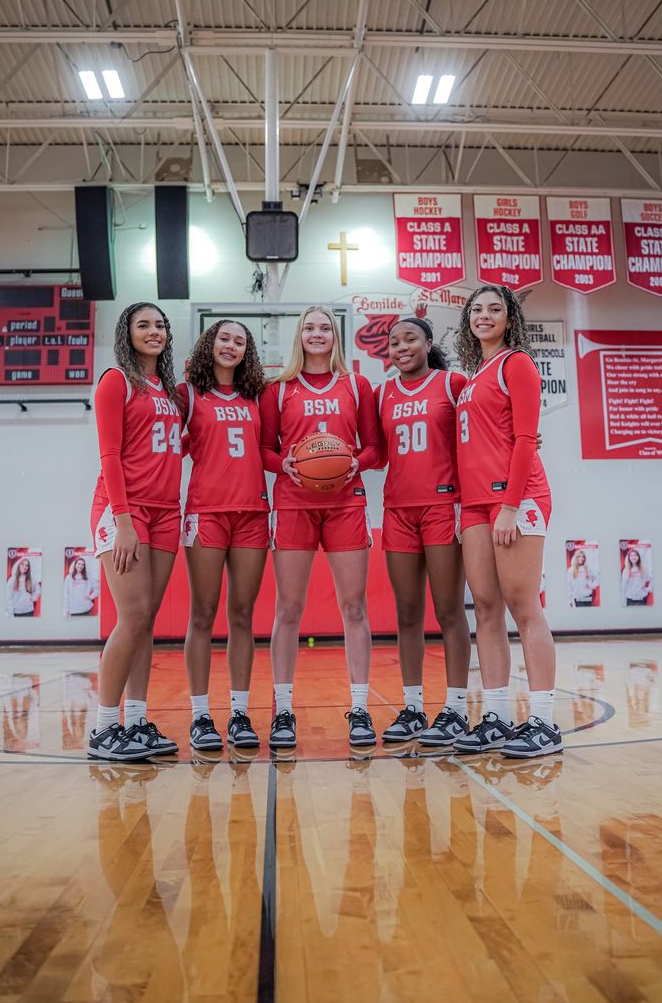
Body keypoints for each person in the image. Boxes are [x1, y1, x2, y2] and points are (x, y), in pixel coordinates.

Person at [260, 305, 381, 749]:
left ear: (336, 335)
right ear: (299, 335)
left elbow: (375, 450)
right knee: (288, 610)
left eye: (324, 327)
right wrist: (284, 464)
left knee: (354, 608)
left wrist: (356, 461)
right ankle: (284, 710)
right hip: (294, 503)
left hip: (346, 503)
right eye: (309, 327)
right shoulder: (278, 390)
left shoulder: (357, 385)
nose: (317, 333)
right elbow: (263, 450)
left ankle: (361, 708)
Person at [452, 284, 562, 759]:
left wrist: (511, 505)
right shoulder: (475, 374)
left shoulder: (517, 363)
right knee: (487, 608)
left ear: (509, 317)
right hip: (475, 504)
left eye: (495, 309)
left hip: (514, 500)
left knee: (523, 606)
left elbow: (525, 439)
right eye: (476, 309)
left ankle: (543, 721)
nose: (484, 315)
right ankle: (495, 715)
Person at [88, 301, 183, 762]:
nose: (154, 331)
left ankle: (138, 721)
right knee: (133, 615)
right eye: (143, 325)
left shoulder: (169, 389)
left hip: (166, 512)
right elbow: (109, 456)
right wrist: (123, 521)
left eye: (160, 325)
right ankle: (105, 727)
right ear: (126, 333)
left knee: (146, 621)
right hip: (124, 512)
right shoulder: (116, 381)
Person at [375, 317, 471, 745]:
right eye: (393, 342)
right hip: (397, 509)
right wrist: (326, 462)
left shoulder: (452, 384)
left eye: (410, 338)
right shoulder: (381, 395)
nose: (400, 347)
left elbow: (483, 429)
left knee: (449, 611)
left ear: (428, 342)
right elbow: (374, 453)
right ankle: (413, 708)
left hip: (442, 506)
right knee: (407, 614)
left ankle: (455, 708)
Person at [178, 319, 269, 753]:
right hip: (206, 514)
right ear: (208, 343)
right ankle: (199, 716)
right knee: (203, 613)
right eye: (223, 338)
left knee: (242, 615)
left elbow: (270, 451)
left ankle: (239, 713)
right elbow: (158, 440)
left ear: (246, 349)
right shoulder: (187, 395)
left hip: (252, 513)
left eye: (239, 340)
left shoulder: (257, 396)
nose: (231, 345)